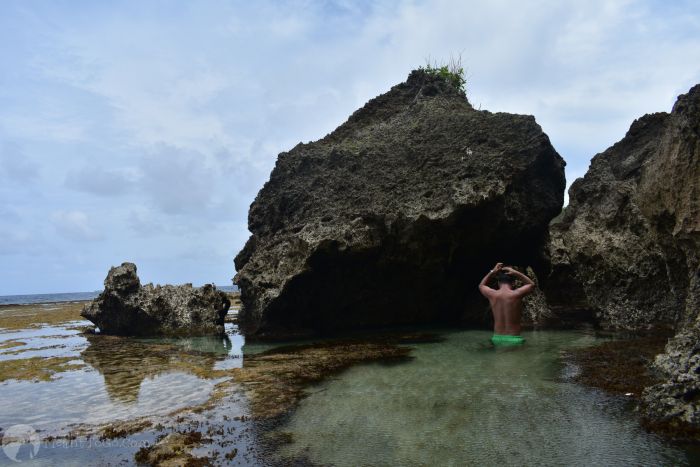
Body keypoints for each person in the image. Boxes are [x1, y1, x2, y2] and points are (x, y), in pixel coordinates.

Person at [478, 262, 535, 346]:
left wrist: (492, 271)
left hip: (496, 338)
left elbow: (481, 286)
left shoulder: (492, 294)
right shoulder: (516, 294)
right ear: (513, 283)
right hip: (514, 339)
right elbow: (531, 284)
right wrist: (516, 273)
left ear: (498, 282)